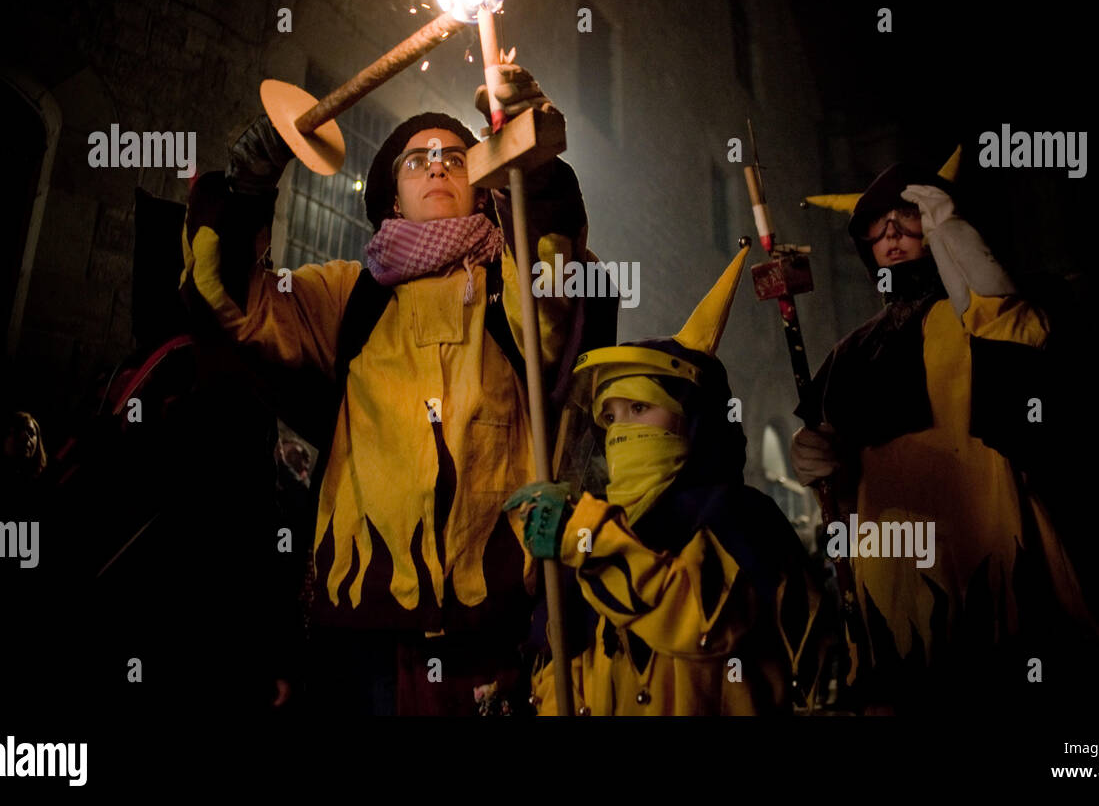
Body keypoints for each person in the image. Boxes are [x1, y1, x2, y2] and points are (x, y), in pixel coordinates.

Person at [180, 64, 610, 714]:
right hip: (358, 644)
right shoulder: (344, 296)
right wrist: (246, 190)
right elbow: (229, 303)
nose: (438, 166)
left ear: (485, 183)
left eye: (457, 158)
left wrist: (537, 174)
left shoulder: (510, 295)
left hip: (490, 644)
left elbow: (554, 294)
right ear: (389, 198)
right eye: (417, 160)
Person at [790, 159, 1099, 712]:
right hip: (896, 582)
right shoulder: (848, 356)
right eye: (876, 224)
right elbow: (839, 487)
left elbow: (1016, 339)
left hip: (991, 548)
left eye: (906, 215)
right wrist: (815, 461)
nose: (890, 233)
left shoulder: (989, 313)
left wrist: (953, 237)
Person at [506, 245, 822, 715]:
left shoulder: (742, 519)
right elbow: (565, 671)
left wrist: (587, 540)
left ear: (690, 418)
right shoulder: (598, 527)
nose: (621, 430)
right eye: (610, 417)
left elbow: (703, 625)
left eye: (639, 409)